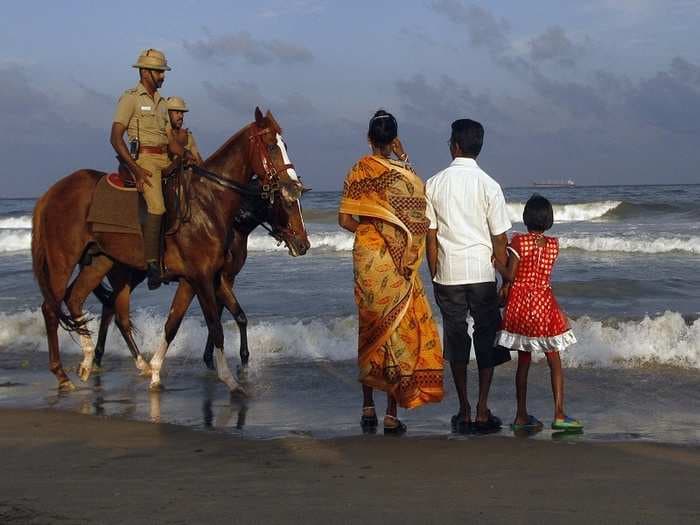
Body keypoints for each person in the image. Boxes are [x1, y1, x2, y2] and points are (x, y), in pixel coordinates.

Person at [338, 109, 444, 435]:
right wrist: (405, 157)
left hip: (368, 262)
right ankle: (391, 414)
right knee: (397, 332)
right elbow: (417, 223)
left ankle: (367, 406)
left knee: (370, 329)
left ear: (369, 138)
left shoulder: (359, 170)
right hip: (399, 268)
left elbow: (345, 221)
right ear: (394, 139)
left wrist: (371, 231)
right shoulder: (408, 178)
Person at [425, 118, 512, 434]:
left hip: (449, 273)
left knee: (456, 339)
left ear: (455, 145)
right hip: (482, 272)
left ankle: (462, 409)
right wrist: (505, 279)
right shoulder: (490, 185)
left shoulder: (434, 184)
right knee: (487, 338)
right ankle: (482, 408)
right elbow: (500, 239)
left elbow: (431, 236)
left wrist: (434, 273)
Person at [494, 195, 582, 432]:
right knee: (554, 359)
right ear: (549, 219)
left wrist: (496, 264)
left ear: (526, 218)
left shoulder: (519, 242)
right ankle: (559, 413)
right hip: (545, 304)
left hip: (522, 305)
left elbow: (511, 276)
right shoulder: (553, 244)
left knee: (524, 361)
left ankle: (521, 415)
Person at [110, 48, 171, 290]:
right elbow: (115, 138)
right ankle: (152, 264)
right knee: (157, 206)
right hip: (144, 159)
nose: (162, 76)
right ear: (145, 72)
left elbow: (169, 137)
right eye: (158, 72)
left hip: (165, 157)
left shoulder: (163, 103)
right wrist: (134, 168)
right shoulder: (131, 98)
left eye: (163, 72)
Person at [166, 96, 204, 166]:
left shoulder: (188, 136)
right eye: (177, 112)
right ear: (168, 114)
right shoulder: (161, 134)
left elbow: (198, 159)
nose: (181, 116)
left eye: (182, 113)